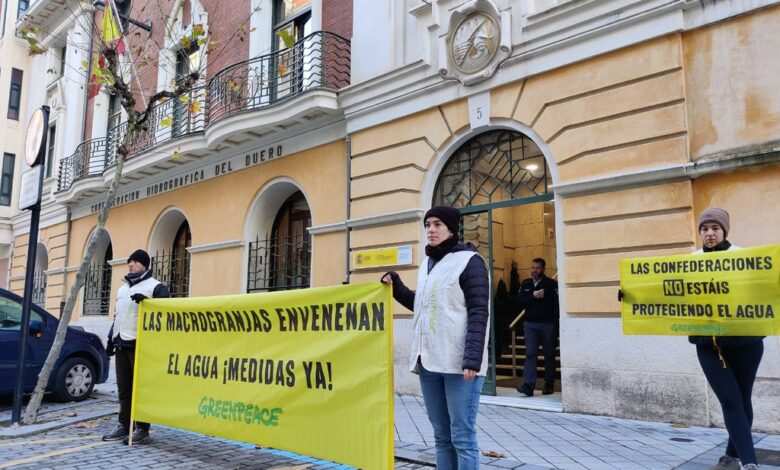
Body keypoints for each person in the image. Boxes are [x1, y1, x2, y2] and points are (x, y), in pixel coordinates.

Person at [382, 206, 489, 470]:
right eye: (428, 224)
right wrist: (397, 286)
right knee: (441, 436)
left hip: (459, 364)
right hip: (428, 361)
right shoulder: (427, 264)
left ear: (451, 228)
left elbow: (479, 311)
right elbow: (422, 304)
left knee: (462, 437)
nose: (431, 229)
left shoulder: (470, 261)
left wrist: (472, 359)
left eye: (437, 224)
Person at [691, 208, 764, 470]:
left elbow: (764, 289)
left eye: (715, 228)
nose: (709, 233)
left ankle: (731, 458)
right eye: (705, 229)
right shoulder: (691, 261)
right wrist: (632, 295)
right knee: (730, 400)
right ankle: (750, 463)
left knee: (742, 400)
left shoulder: (743, 257)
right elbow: (664, 291)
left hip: (746, 344)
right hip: (708, 345)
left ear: (724, 231)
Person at [102, 249, 170, 445]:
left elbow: (166, 312)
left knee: (141, 388)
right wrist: (111, 338)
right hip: (121, 342)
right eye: (129, 262)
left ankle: (142, 428)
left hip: (141, 344)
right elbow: (118, 315)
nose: (131, 265)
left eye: (135, 262)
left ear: (144, 265)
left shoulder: (156, 287)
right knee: (124, 388)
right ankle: (124, 425)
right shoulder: (122, 289)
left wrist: (148, 303)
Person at [516, 258, 558, 397]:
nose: (534, 270)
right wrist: (532, 295)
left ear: (543, 269)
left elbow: (557, 303)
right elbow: (519, 300)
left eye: (537, 268)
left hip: (547, 324)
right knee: (530, 354)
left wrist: (546, 296)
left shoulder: (551, 284)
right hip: (530, 325)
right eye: (533, 267)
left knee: (549, 354)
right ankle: (528, 385)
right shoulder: (526, 283)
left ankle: (549, 384)